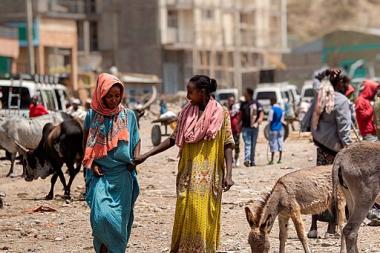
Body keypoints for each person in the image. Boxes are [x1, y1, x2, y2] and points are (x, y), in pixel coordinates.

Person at [134, 75, 234, 253]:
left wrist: (229, 175)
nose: (187, 96)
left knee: (202, 215)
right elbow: (173, 140)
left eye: (190, 91)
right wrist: (146, 155)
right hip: (187, 175)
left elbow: (228, 143)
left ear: (202, 92)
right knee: (184, 213)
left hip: (210, 177)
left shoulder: (222, 113)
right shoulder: (186, 113)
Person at [82, 73, 141, 253]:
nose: (114, 99)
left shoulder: (129, 115)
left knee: (119, 222)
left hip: (123, 175)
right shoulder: (91, 115)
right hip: (100, 174)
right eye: (110, 96)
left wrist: (135, 160)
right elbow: (85, 144)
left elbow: (136, 140)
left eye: (117, 96)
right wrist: (92, 165)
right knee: (101, 217)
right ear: (101, 94)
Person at [308, 68, 352, 238]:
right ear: (340, 84)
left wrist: (325, 71)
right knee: (336, 188)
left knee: (319, 185)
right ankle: (331, 229)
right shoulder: (341, 101)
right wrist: (351, 150)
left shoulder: (322, 95)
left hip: (321, 146)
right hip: (335, 150)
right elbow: (344, 131)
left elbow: (315, 78)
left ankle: (313, 228)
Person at [239, 88, 264, 167]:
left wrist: (259, 120)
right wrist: (238, 125)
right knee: (247, 143)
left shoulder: (256, 103)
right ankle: (247, 160)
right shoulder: (243, 104)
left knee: (253, 144)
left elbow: (261, 113)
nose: (244, 95)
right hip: (245, 127)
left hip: (254, 127)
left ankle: (252, 160)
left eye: (245, 93)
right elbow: (240, 115)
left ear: (249, 94)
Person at [267, 98, 285, 165]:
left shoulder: (272, 109)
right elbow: (282, 120)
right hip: (280, 128)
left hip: (273, 128)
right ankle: (280, 159)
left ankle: (272, 160)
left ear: (272, 101)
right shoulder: (281, 110)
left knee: (273, 143)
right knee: (280, 142)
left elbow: (270, 119)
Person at [227, 96, 241, 167]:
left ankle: (237, 158)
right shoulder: (226, 109)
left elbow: (240, 118)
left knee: (236, 146)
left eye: (232, 100)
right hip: (228, 131)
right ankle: (231, 160)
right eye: (230, 100)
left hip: (236, 130)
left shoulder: (237, 109)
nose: (231, 102)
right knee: (229, 146)